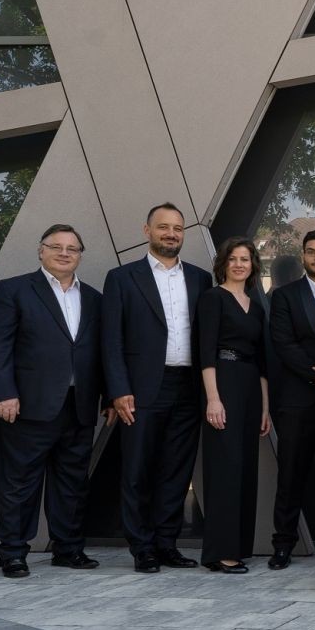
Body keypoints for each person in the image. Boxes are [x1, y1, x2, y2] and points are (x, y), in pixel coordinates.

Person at [0, 224, 105, 578]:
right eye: (56, 246)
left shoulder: (94, 298)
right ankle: (13, 552)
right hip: (28, 405)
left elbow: (103, 352)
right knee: (20, 482)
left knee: (72, 482)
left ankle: (68, 549)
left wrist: (110, 397)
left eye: (72, 248)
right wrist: (4, 393)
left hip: (79, 404)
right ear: (41, 250)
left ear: (80, 255)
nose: (64, 253)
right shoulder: (14, 290)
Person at [103, 203, 212, 573]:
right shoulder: (122, 278)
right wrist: (118, 389)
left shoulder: (199, 278)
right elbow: (111, 340)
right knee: (137, 470)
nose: (171, 234)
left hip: (188, 386)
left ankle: (167, 543)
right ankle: (142, 548)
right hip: (141, 388)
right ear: (146, 230)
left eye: (178, 228)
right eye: (163, 227)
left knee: (176, 471)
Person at [267, 229, 315, 569]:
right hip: (297, 399)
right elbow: (284, 344)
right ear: (303, 256)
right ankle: (283, 544)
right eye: (311, 251)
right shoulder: (285, 296)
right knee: (291, 473)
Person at [197, 238, 271, 573]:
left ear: (253, 265)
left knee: (245, 468)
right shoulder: (213, 298)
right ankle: (220, 552)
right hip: (223, 383)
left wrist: (265, 408)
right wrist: (213, 398)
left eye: (245, 259)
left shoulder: (256, 307)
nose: (239, 264)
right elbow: (206, 352)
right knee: (225, 468)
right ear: (223, 264)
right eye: (233, 259)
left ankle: (239, 546)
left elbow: (262, 361)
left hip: (251, 387)